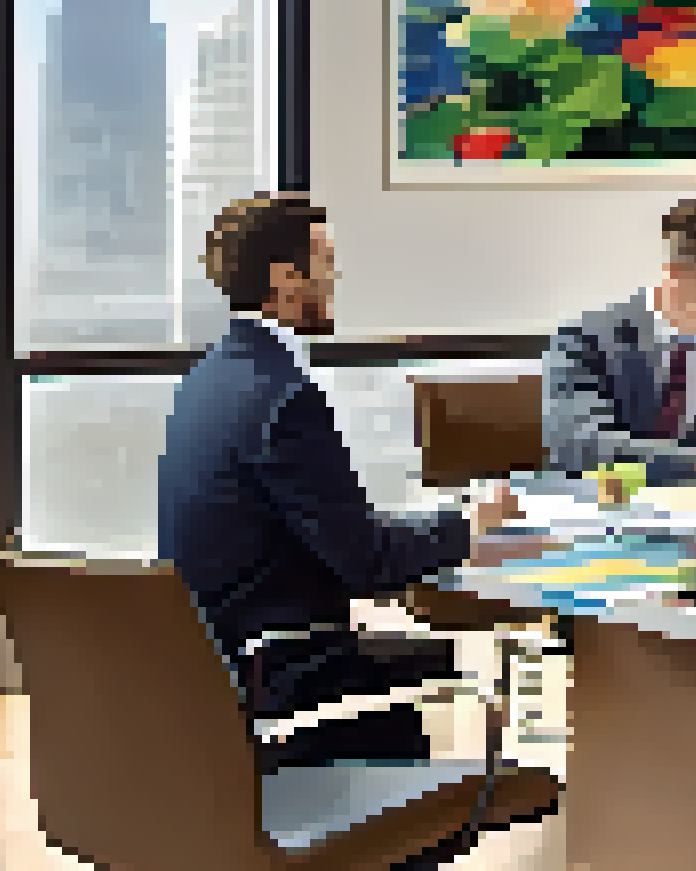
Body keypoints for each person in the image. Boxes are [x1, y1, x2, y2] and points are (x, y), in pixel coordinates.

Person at [158, 194, 545, 772]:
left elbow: (330, 532)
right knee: (444, 671)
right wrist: (472, 524)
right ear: (285, 278)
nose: (334, 280)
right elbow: (370, 562)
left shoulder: (210, 378)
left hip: (222, 669)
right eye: (325, 264)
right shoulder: (285, 398)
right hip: (292, 681)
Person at [542, 199, 696, 488]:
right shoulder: (585, 339)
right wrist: (695, 462)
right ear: (678, 272)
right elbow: (579, 446)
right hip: (604, 504)